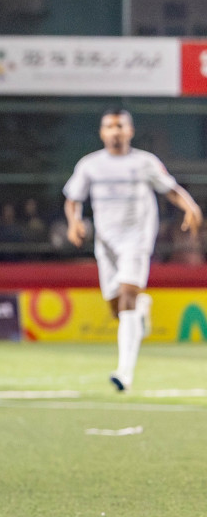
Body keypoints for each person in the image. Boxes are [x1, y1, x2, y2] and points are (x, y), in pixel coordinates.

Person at [63, 110, 202, 392]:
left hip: (136, 240)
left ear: (130, 131)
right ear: (102, 133)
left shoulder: (144, 162)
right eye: (109, 127)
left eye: (120, 126)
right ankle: (140, 311)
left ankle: (124, 373)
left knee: (126, 298)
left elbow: (170, 188)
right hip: (106, 243)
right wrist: (73, 222)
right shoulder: (90, 165)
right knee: (116, 307)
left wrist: (190, 206)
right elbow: (73, 199)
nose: (115, 131)